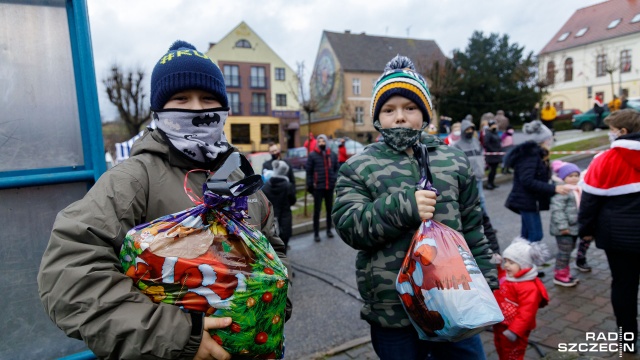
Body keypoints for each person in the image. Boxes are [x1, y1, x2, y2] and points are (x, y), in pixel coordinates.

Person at [37, 40, 291, 360]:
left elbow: (275, 250)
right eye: (181, 99)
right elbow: (68, 276)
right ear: (159, 112)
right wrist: (176, 337)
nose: (197, 109)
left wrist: (279, 306)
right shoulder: (132, 181)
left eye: (208, 98)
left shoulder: (242, 181)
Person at [332, 55, 496, 360]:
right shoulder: (359, 167)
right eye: (389, 109)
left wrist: (488, 278)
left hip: (456, 295)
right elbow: (350, 226)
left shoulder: (453, 160)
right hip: (394, 308)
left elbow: (474, 225)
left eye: (410, 108)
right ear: (377, 118)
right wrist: (405, 205)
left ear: (426, 113)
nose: (400, 117)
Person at [579, 109, 640, 353]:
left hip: (619, 239)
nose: (610, 135)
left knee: (624, 287)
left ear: (622, 132)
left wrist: (585, 230)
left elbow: (589, 202)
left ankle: (628, 341)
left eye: (611, 130)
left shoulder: (605, 160)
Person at [504, 121, 572, 250]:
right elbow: (527, 180)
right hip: (527, 200)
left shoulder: (535, 153)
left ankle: (523, 264)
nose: (551, 141)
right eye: (549, 138)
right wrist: (554, 188)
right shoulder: (530, 155)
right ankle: (527, 262)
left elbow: (536, 175)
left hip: (529, 200)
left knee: (526, 235)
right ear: (543, 140)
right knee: (535, 235)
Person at [493, 238, 549, 360]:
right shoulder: (510, 276)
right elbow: (501, 277)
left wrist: (514, 331)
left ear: (523, 265)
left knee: (513, 353)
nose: (506, 265)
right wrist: (497, 266)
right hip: (501, 324)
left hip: (514, 330)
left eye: (511, 262)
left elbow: (527, 313)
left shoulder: (529, 287)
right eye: (506, 261)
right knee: (501, 348)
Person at [549, 160, 583, 287]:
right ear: (563, 177)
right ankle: (559, 275)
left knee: (569, 250)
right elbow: (557, 210)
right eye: (570, 176)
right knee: (564, 252)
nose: (574, 179)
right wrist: (563, 226)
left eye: (576, 175)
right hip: (564, 229)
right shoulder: (563, 191)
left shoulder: (577, 189)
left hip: (573, 227)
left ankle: (565, 272)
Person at [305, 134, 338, 242]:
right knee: (317, 211)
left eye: (323, 141)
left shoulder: (332, 155)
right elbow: (309, 172)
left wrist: (334, 179)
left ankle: (329, 230)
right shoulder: (312, 155)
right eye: (319, 142)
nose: (321, 143)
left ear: (326, 142)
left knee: (329, 210)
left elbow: (336, 169)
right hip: (318, 187)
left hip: (329, 187)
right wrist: (310, 186)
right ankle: (316, 233)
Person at [262, 160, 297, 253]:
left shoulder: (266, 187)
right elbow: (293, 200)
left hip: (271, 219)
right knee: (284, 243)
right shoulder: (288, 186)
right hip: (285, 217)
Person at [454, 119, 488, 209]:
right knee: (469, 202)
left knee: (481, 199)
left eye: (471, 129)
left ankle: (485, 220)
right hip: (467, 179)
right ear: (463, 131)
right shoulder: (457, 145)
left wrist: (483, 167)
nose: (470, 131)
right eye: (467, 129)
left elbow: (481, 155)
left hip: (478, 176)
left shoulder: (476, 142)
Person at [483, 119, 503, 190]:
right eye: (492, 125)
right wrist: (493, 150)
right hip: (491, 155)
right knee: (492, 170)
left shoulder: (496, 133)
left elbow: (499, 142)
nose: (494, 126)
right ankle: (489, 183)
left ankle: (492, 183)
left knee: (494, 170)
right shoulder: (488, 133)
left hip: (497, 154)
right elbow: (486, 144)